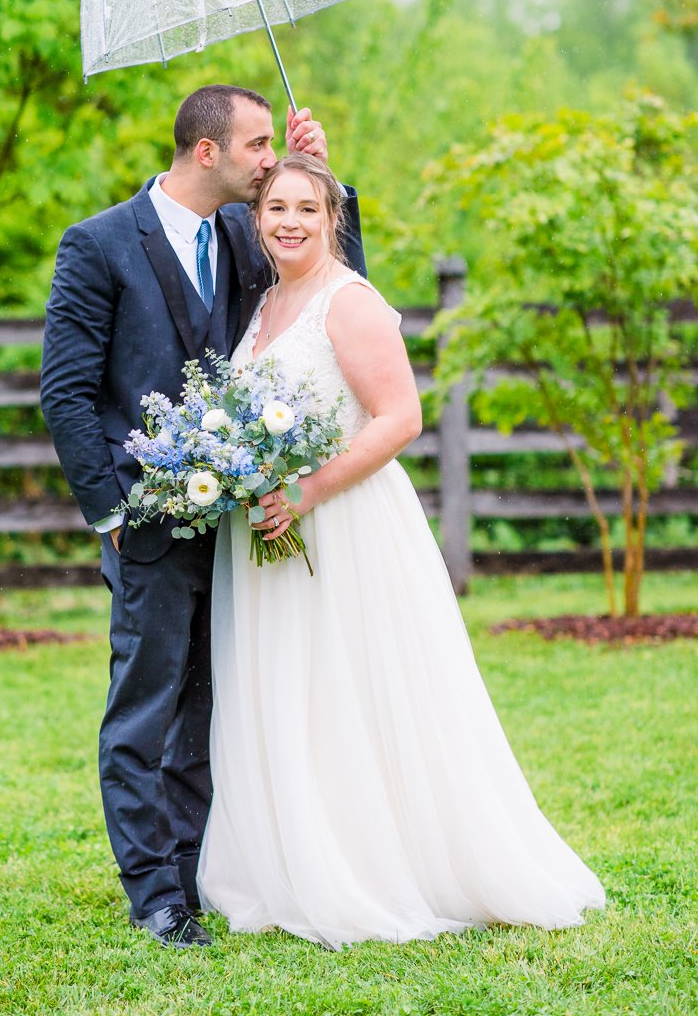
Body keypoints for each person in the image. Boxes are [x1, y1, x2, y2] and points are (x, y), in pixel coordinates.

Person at [197, 153, 606, 950]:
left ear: (333, 218)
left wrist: (309, 488)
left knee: (355, 689)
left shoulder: (349, 303)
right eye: (275, 207)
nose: (288, 221)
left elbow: (400, 417)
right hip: (270, 530)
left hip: (343, 525)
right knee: (293, 692)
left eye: (307, 210)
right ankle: (297, 859)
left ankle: (378, 866)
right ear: (255, 220)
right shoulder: (270, 302)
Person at [40, 87, 366, 949]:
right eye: (260, 146)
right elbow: (66, 392)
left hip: (237, 523)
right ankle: (153, 892)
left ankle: (194, 871)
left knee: (217, 702)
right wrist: (110, 511)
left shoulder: (242, 236)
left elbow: (338, 291)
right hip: (145, 520)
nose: (271, 161)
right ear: (207, 152)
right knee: (146, 704)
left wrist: (327, 174)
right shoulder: (99, 243)